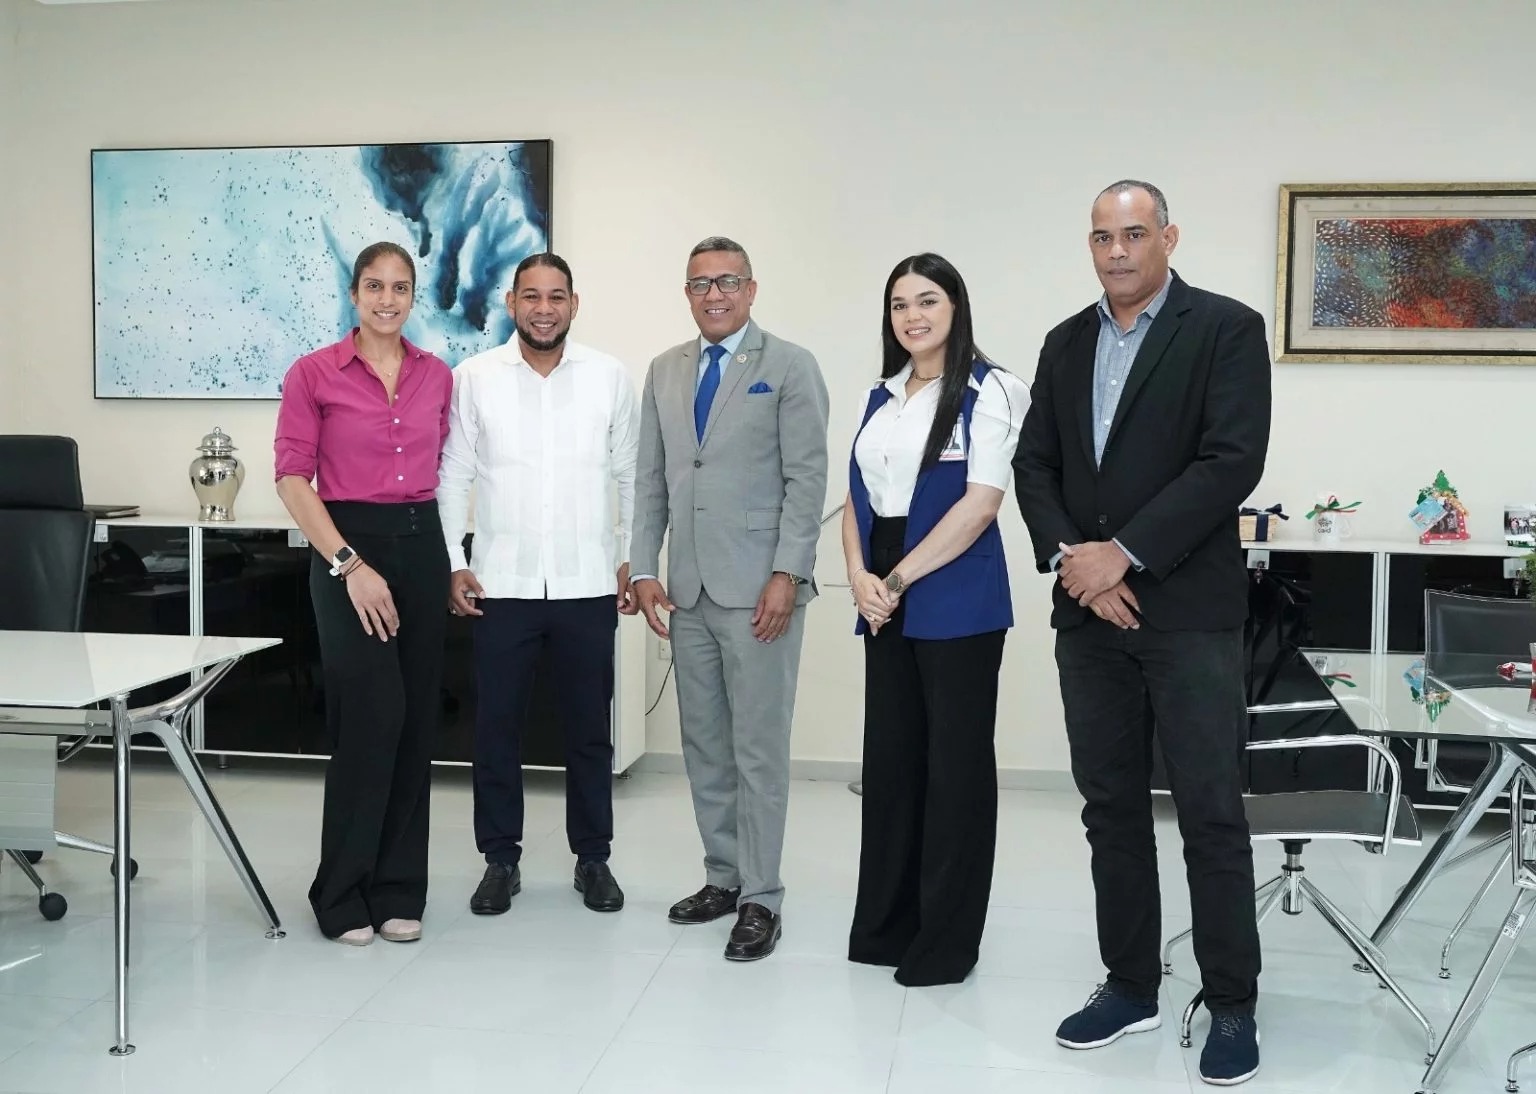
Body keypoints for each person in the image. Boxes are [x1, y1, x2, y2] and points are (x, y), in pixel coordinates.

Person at [1012, 180, 1272, 1085]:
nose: (1116, 251)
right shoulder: (1065, 340)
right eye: (1101, 237)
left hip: (1189, 614)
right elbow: (1033, 463)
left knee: (1210, 813)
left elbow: (1230, 461)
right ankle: (1130, 984)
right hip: (1089, 620)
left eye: (1133, 234)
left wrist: (1123, 554)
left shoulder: (1225, 329)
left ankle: (1232, 1000)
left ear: (1168, 237)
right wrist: (1076, 565)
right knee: (1111, 810)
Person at [630, 236, 830, 961]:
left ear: (751, 289)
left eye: (727, 282)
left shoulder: (789, 366)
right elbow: (651, 480)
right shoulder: (664, 370)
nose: (713, 295)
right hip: (687, 591)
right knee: (705, 745)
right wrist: (642, 567)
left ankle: (761, 896)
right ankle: (722, 876)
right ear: (686, 293)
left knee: (758, 749)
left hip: (760, 593)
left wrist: (788, 572)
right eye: (699, 284)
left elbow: (807, 481)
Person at [842, 253, 1028, 986]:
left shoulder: (995, 389)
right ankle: (888, 925)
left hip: (955, 586)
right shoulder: (878, 397)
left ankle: (947, 942)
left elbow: (981, 505)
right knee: (891, 764)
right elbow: (854, 500)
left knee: (954, 771)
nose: (912, 316)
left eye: (927, 300)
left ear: (956, 306)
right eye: (898, 305)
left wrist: (895, 577)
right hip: (882, 583)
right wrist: (859, 576)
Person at [437, 253, 640, 917]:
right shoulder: (474, 379)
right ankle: (500, 860)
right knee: (496, 729)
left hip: (587, 582)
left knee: (588, 731)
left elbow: (634, 477)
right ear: (511, 302)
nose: (544, 308)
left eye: (556, 296)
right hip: (502, 584)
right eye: (532, 296)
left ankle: (594, 859)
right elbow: (454, 477)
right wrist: (452, 560)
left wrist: (633, 559)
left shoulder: (608, 377)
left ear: (574, 304)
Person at [274, 241, 454, 946]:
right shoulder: (314, 373)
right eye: (374, 286)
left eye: (400, 287)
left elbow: (456, 469)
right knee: (370, 716)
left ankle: (399, 888)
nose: (387, 299)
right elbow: (293, 479)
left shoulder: (437, 375)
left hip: (423, 544)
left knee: (414, 722)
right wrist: (350, 562)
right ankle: (341, 890)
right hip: (346, 549)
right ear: (353, 294)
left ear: (414, 297)